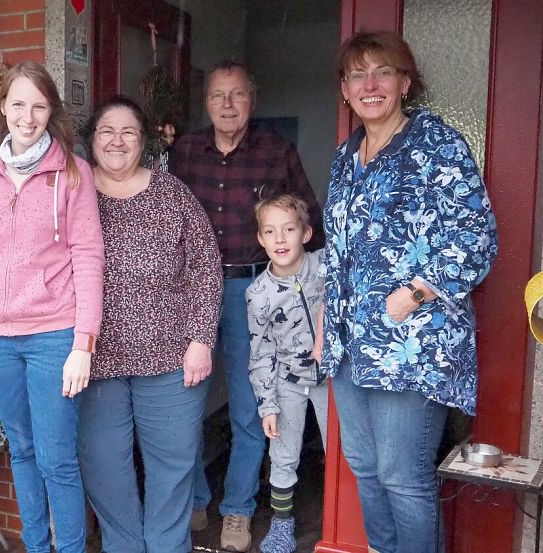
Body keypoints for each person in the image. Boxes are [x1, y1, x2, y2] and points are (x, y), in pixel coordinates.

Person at [320, 32, 498, 553]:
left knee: (402, 475)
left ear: (404, 82)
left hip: (412, 343)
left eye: (382, 72)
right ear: (346, 90)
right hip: (350, 344)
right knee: (367, 470)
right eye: (358, 75)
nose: (370, 84)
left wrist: (416, 292)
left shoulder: (436, 144)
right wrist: (325, 330)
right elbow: (340, 256)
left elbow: (477, 236)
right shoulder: (344, 156)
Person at [0, 61, 104, 553]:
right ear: (2, 107)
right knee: (24, 450)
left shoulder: (74, 174)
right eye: (18, 104)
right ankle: (37, 547)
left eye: (38, 105)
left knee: (57, 457)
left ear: (50, 109)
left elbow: (88, 256)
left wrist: (83, 343)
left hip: (54, 335)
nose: (27, 116)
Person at [169, 59, 324, 552]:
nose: (228, 105)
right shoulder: (183, 151)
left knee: (251, 403)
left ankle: (237, 509)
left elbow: (310, 225)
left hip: (250, 292)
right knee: (180, 402)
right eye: (218, 96)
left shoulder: (276, 152)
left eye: (237, 95)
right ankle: (192, 499)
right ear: (207, 102)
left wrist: (313, 304)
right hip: (191, 289)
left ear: (251, 100)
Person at [76, 96, 222, 553]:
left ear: (144, 142)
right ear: (92, 140)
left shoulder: (172, 194)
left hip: (171, 359)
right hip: (94, 361)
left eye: (129, 133)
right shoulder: (73, 195)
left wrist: (201, 338)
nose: (117, 141)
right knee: (103, 467)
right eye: (107, 131)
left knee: (172, 468)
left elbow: (206, 267)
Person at [245, 194, 328, 553]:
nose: (280, 239)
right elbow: (260, 353)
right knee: (283, 455)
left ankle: (348, 521)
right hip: (287, 383)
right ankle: (281, 525)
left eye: (289, 229)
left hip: (332, 380)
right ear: (260, 239)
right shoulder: (258, 294)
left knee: (345, 452)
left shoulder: (326, 267)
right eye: (270, 231)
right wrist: (268, 405)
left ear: (307, 233)